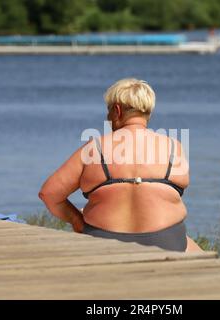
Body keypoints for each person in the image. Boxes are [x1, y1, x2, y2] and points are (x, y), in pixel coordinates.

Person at [39, 78, 202, 252]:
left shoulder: (95, 149)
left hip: (105, 244)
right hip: (166, 244)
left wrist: (77, 220)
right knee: (195, 249)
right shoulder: (173, 147)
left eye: (108, 111)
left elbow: (49, 193)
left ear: (116, 110)